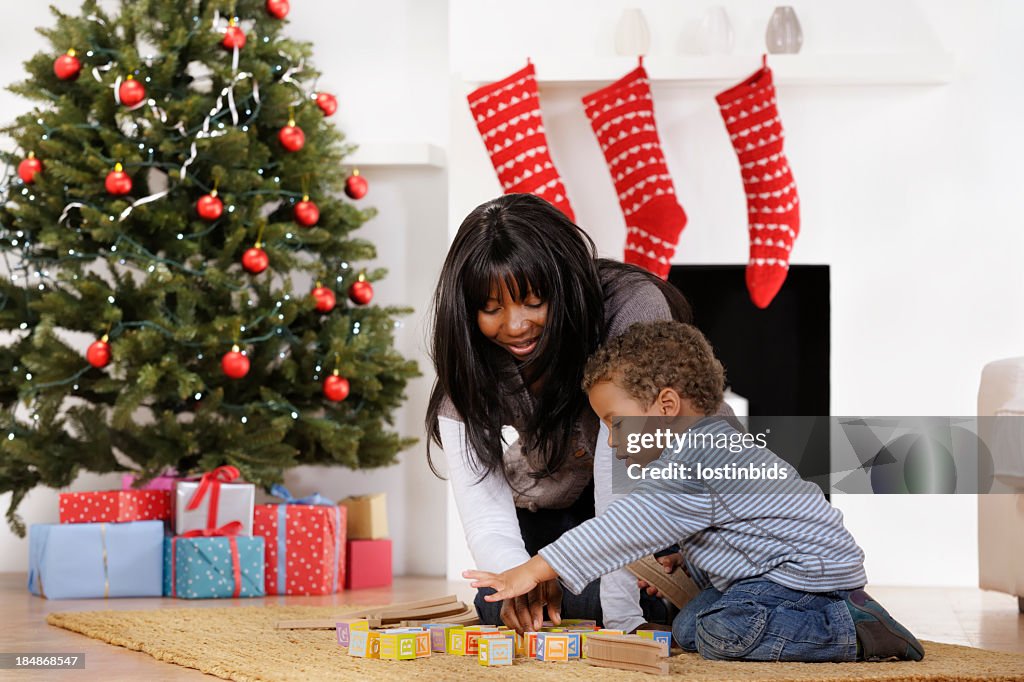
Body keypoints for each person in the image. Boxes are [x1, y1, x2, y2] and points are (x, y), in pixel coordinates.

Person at [465, 321, 925, 663]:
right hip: (780, 574)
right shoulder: (710, 445)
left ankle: (852, 631)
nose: (610, 438)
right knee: (690, 621)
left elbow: (624, 526)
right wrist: (687, 558)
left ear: (665, 406)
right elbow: (741, 526)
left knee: (718, 631)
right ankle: (838, 612)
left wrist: (535, 568)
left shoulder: (696, 458)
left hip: (799, 582)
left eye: (613, 421)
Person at [426, 193, 723, 633]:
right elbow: (484, 509)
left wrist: (623, 619)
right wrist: (520, 577)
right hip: (562, 498)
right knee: (499, 603)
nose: (514, 325)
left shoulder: (633, 308)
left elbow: (622, 473)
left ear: (562, 287)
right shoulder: (470, 360)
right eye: (491, 309)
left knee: (624, 598)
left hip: (653, 493)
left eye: (532, 302)